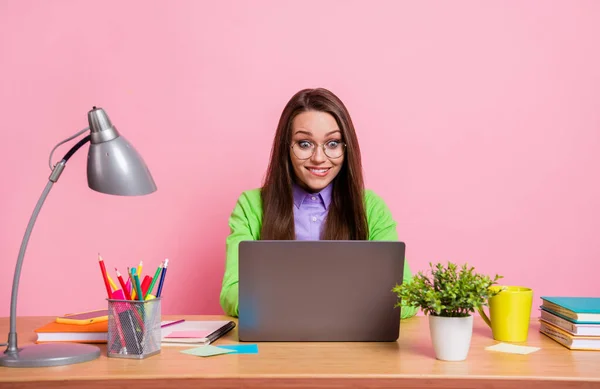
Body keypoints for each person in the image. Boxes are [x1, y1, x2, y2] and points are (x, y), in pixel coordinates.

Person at [219, 87, 417, 319]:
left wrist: (290, 298)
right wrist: (344, 298)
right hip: (276, 348)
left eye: (332, 143)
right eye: (305, 144)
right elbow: (232, 294)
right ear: (286, 148)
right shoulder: (251, 205)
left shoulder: (370, 207)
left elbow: (406, 297)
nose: (319, 158)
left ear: (346, 148)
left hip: (355, 349)